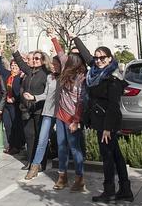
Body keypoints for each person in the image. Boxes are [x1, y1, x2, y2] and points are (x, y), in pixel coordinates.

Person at [73, 36, 134, 202]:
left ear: (110, 59)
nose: (98, 60)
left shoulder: (112, 78)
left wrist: (107, 128)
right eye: (97, 57)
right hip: (100, 121)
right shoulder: (95, 71)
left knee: (108, 158)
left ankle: (109, 191)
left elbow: (114, 106)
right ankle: (125, 190)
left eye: (102, 58)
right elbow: (86, 56)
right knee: (116, 156)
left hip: (108, 124)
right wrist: (75, 38)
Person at [24, 30, 64, 180]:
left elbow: (62, 55)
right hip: (47, 112)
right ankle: (35, 167)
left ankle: (62, 173)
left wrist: (54, 38)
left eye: (56, 64)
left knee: (61, 142)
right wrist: (34, 97)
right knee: (41, 140)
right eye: (52, 64)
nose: (53, 66)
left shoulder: (66, 77)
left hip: (62, 114)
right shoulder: (50, 78)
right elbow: (46, 94)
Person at [12, 48, 52, 170]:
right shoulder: (29, 71)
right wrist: (15, 51)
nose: (34, 60)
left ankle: (40, 163)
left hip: (39, 109)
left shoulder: (46, 74)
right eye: (33, 58)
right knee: (29, 136)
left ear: (43, 60)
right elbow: (21, 63)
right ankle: (30, 161)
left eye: (37, 58)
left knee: (41, 137)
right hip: (27, 109)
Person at [53, 53, 87, 192]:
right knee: (61, 148)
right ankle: (62, 177)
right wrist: (53, 37)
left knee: (74, 148)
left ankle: (79, 179)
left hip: (72, 118)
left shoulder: (82, 79)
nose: (64, 62)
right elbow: (60, 54)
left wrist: (76, 121)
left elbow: (81, 102)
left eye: (68, 61)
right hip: (60, 116)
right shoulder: (65, 72)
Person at [0, 53, 23, 155]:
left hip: (15, 105)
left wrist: (15, 99)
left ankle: (17, 146)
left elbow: (21, 91)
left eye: (16, 66)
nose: (13, 67)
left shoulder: (21, 77)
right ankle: (11, 146)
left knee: (16, 126)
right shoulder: (8, 75)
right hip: (6, 105)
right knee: (7, 125)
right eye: (12, 65)